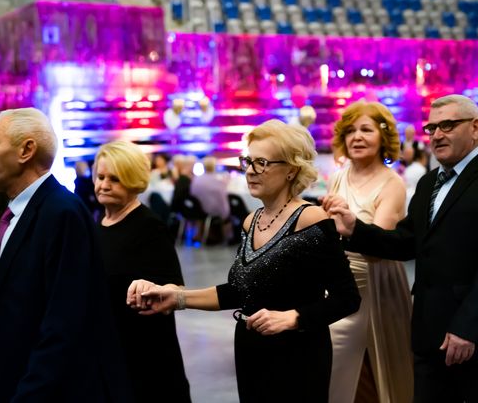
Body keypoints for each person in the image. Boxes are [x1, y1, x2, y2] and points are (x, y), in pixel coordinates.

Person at [128, 119, 361, 403]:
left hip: (297, 354)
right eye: (248, 161)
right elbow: (239, 291)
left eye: (261, 163)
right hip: (251, 348)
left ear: (291, 170)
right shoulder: (252, 221)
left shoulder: (312, 220)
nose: (250, 170)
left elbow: (347, 298)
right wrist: (176, 298)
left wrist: (293, 318)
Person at [324, 94, 478, 402]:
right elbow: (406, 242)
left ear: (475, 128)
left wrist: (466, 328)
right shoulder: (429, 182)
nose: (437, 135)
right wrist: (355, 229)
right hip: (428, 332)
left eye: (448, 125)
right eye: (432, 128)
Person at [0, 108, 132, 402]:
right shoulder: (17, 213)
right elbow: (6, 305)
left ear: (26, 150)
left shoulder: (62, 213)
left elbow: (64, 324)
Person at [327, 101, 413, 403]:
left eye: (366, 129)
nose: (357, 137)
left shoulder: (392, 184)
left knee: (372, 374)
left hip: (375, 284)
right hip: (337, 282)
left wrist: (348, 226)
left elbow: (378, 248)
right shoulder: (338, 177)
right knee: (334, 365)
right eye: (350, 131)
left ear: (383, 136)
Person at [93, 141, 191, 402]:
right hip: (112, 355)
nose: (104, 185)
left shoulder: (149, 227)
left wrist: (154, 288)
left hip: (147, 362)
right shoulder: (99, 223)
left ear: (133, 181)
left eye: (115, 179)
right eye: (101, 177)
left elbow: (176, 289)